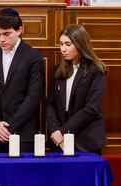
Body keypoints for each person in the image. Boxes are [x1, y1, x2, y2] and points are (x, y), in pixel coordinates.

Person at [0, 7, 44, 153]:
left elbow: (33, 98)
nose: (1, 39)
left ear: (19, 30)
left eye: (7, 34)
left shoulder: (34, 57)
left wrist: (9, 128)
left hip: (22, 135)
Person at [45, 24, 107, 154]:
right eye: (61, 44)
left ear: (80, 45)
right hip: (58, 142)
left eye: (68, 44)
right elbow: (50, 105)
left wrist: (63, 132)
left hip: (86, 141)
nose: (63, 49)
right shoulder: (58, 70)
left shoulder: (96, 70)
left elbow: (91, 108)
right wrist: (56, 132)